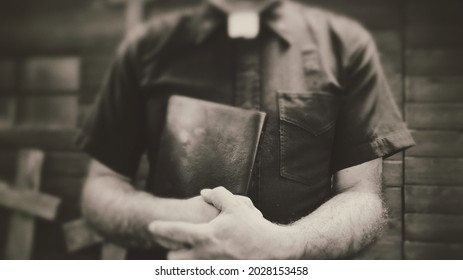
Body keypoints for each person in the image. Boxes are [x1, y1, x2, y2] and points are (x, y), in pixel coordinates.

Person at [77, 0, 415, 259]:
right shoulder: (146, 47)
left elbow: (362, 195)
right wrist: (181, 218)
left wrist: (282, 246)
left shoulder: (346, 45)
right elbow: (101, 189)